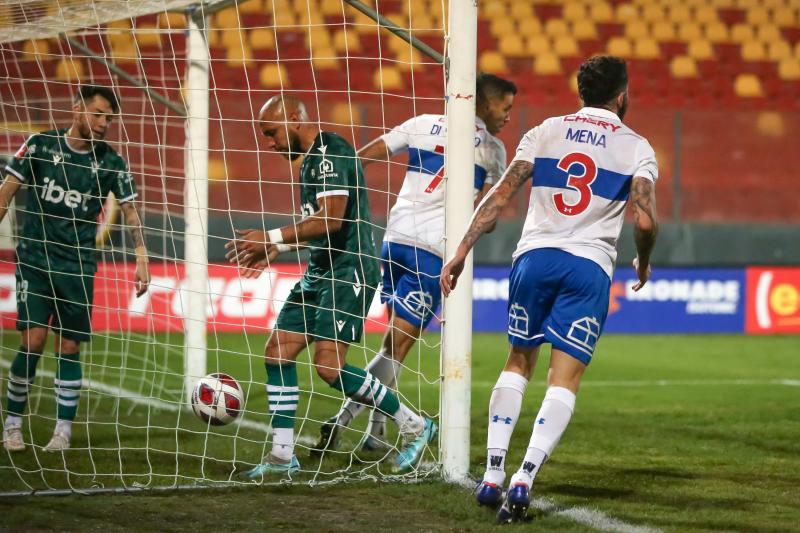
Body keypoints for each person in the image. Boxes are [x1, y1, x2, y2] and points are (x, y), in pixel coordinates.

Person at [440, 56, 659, 523]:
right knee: (565, 378)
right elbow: (643, 217)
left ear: (581, 92)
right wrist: (644, 256)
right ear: (621, 95)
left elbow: (500, 195)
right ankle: (525, 477)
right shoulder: (636, 146)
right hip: (587, 267)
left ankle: (493, 473)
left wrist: (461, 248)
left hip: (534, 258)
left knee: (518, 360)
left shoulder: (544, 131)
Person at [225, 95, 436, 477]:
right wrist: (280, 247)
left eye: (272, 133)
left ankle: (415, 425)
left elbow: (332, 220)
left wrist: (271, 238)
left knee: (328, 367)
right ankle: (281, 455)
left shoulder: (330, 152)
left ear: (294, 118)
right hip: (321, 269)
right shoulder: (309, 163)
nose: (269, 143)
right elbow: (318, 222)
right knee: (277, 352)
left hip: (349, 270)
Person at [314, 74, 517, 454]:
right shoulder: (492, 149)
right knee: (396, 350)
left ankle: (375, 435)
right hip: (431, 252)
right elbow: (484, 215)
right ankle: (344, 420)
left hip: (392, 242)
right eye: (505, 108)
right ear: (486, 105)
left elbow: (358, 159)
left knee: (392, 345)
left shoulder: (420, 124)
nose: (508, 117)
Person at [1, 85, 150, 453]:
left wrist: (142, 256)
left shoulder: (112, 162)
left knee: (69, 346)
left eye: (109, 118)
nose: (104, 124)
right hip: (35, 259)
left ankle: (62, 431)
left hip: (78, 264)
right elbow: (5, 193)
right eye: (97, 114)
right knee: (32, 341)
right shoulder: (39, 145)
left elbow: (130, 211)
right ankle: (13, 424)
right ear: (77, 109)